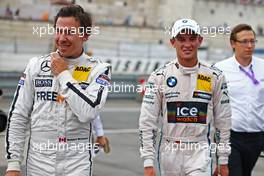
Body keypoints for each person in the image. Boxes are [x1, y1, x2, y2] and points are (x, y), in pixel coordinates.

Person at [5, 5, 111, 176]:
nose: (62, 38)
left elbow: (88, 112)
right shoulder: (36, 66)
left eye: (69, 32)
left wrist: (63, 74)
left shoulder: (99, 69)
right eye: (58, 31)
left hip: (77, 163)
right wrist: (13, 163)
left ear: (84, 35)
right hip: (39, 162)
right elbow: (19, 115)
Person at [139, 18, 232, 176]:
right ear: (172, 42)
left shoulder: (215, 76)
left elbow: (223, 121)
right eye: (181, 39)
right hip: (169, 150)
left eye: (192, 39)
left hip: (200, 150)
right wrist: (148, 161)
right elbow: (147, 121)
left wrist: (223, 159)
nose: (187, 44)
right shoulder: (159, 76)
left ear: (200, 40)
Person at [214, 24, 264, 176]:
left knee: (245, 173)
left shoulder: (263, 66)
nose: (249, 46)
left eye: (252, 41)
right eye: (244, 41)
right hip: (230, 136)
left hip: (257, 135)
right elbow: (209, 103)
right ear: (233, 43)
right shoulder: (219, 69)